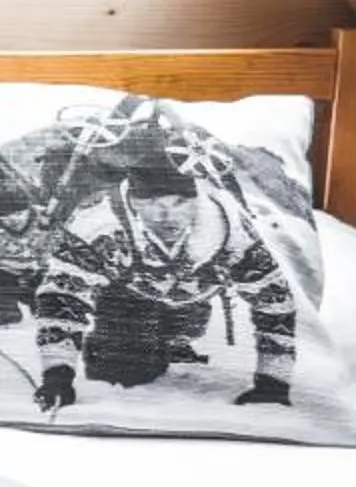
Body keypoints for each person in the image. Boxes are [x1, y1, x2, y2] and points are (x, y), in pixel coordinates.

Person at [29, 152, 296, 413]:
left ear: (196, 200)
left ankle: (181, 329)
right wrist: (57, 375)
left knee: (180, 329)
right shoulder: (96, 225)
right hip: (128, 293)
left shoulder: (232, 230)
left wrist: (273, 380)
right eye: (152, 201)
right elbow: (61, 297)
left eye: (179, 202)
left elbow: (274, 301)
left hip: (197, 292)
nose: (166, 216)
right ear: (132, 200)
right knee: (122, 371)